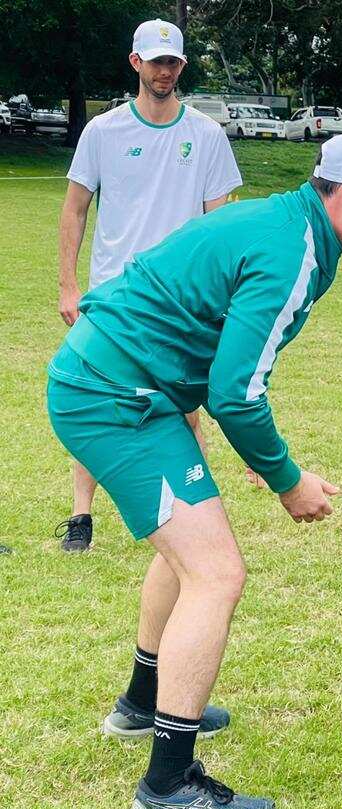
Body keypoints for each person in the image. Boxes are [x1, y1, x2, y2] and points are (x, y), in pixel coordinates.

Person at [46, 133, 342, 809]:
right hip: (113, 395)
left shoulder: (290, 226)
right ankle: (168, 782)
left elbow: (216, 348)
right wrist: (288, 480)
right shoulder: (292, 246)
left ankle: (143, 704)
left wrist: (260, 454)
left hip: (129, 386)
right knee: (217, 571)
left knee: (191, 543)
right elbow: (236, 392)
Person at [55, 18, 242, 552]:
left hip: (179, 302)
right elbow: (74, 209)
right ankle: (81, 517)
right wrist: (69, 286)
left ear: (182, 66)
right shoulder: (104, 130)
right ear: (136, 63)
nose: (165, 71)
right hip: (113, 297)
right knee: (97, 399)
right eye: (155, 61)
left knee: (185, 405)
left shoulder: (205, 136)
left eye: (173, 62)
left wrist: (219, 298)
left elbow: (218, 225)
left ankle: (199, 508)